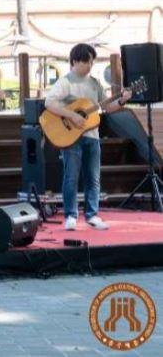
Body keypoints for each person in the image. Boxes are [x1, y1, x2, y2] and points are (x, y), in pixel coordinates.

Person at [43, 43, 131, 231]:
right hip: (71, 137)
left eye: (92, 62)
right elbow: (49, 103)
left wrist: (122, 100)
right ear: (75, 61)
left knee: (94, 178)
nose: (90, 66)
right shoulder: (65, 82)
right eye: (86, 62)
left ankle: (92, 215)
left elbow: (107, 107)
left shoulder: (95, 83)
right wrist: (72, 115)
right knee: (71, 177)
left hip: (92, 136)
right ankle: (71, 216)